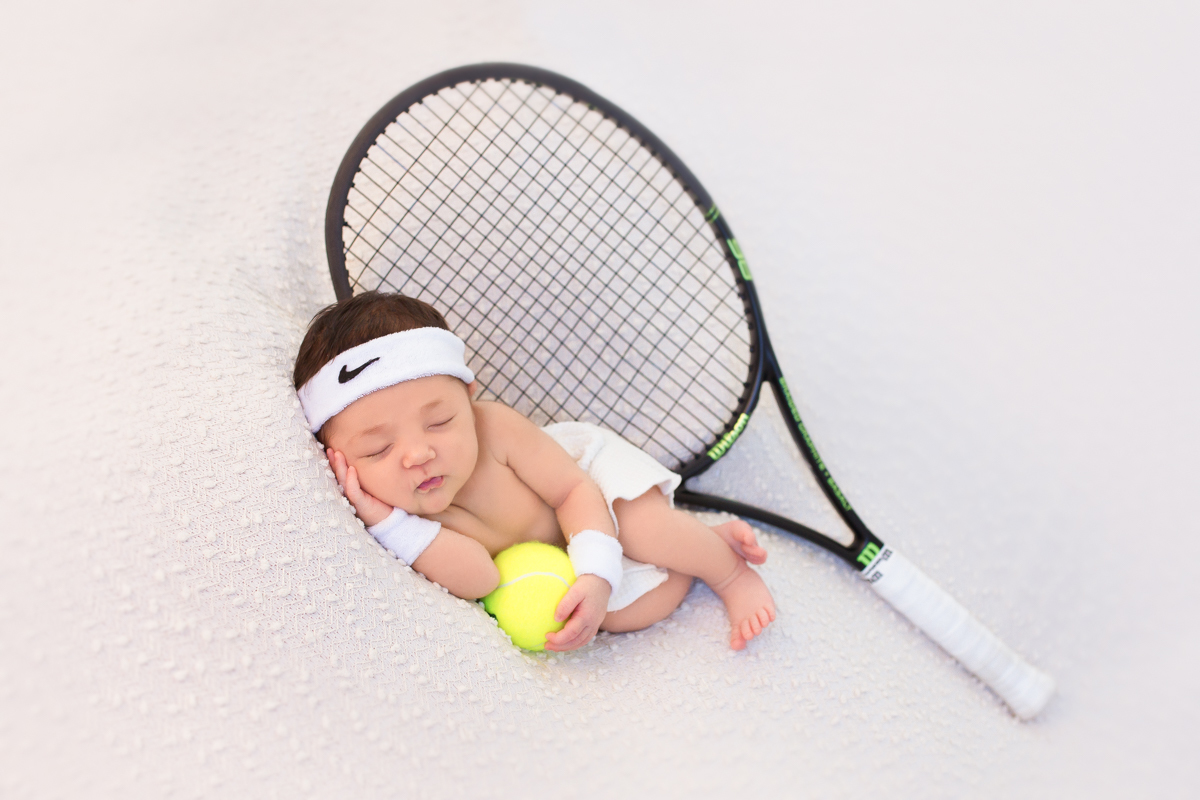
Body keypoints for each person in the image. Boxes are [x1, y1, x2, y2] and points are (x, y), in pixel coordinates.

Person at [293, 291, 775, 652]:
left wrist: (599, 569)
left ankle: (730, 572)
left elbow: (571, 490)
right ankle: (702, 542)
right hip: (556, 551)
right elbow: (481, 578)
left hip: (587, 486)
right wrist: (389, 524)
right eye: (378, 449)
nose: (417, 455)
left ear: (469, 397)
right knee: (621, 614)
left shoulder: (496, 429)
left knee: (643, 528)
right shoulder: (405, 517)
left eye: (440, 422)